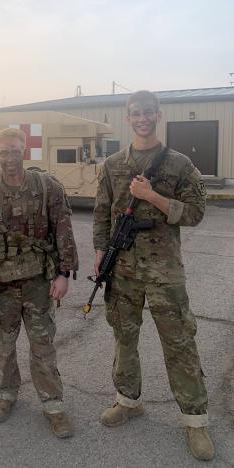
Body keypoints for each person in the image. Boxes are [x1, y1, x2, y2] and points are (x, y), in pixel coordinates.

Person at [93, 90, 214, 461]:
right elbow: (101, 212)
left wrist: (153, 197)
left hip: (164, 271)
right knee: (124, 338)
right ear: (127, 118)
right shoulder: (113, 164)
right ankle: (128, 401)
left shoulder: (178, 164)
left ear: (158, 115)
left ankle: (196, 423)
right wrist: (100, 253)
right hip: (124, 269)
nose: (142, 118)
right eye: (135, 113)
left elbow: (195, 213)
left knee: (179, 344)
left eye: (148, 112)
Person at [0, 127, 78, 438]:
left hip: (39, 282)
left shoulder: (46, 185)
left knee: (43, 344)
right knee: (3, 344)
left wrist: (64, 274)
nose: (10, 157)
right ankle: (5, 394)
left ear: (24, 150)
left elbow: (63, 228)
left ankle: (53, 404)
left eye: (15, 150)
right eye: (4, 151)